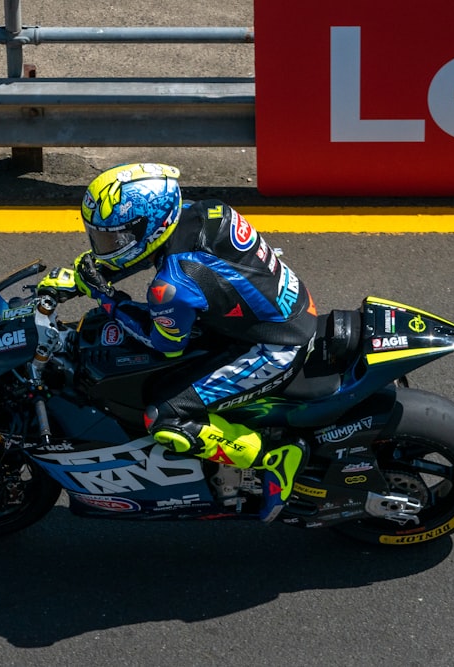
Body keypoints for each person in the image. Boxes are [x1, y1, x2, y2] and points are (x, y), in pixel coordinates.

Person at [39, 163, 318, 522]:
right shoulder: (205, 210)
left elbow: (163, 343)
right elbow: (150, 250)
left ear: (151, 225)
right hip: (278, 308)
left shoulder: (173, 286)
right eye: (100, 236)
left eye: (114, 239)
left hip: (275, 347)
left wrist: (107, 299)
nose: (105, 246)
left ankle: (273, 456)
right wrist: (87, 276)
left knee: (165, 417)